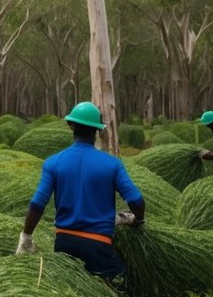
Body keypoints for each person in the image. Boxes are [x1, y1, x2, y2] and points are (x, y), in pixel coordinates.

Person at [16, 101, 144, 284]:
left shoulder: (53, 163)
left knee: (70, 294)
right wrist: (138, 220)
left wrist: (26, 236)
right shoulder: (112, 164)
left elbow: (38, 203)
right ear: (98, 131)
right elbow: (136, 199)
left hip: (64, 244)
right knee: (122, 287)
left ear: (71, 125)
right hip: (98, 245)